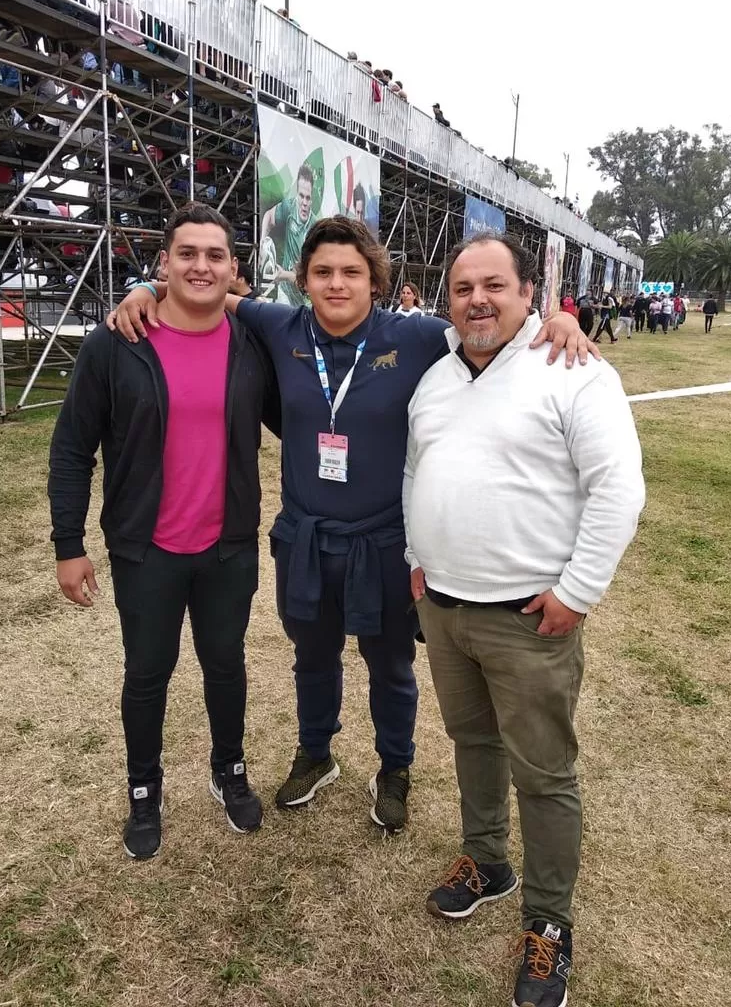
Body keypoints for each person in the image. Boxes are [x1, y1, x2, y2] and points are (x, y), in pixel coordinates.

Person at [109, 217, 598, 836]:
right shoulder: (277, 325)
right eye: (322, 273)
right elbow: (202, 291)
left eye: (351, 273)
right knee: (311, 659)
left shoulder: (419, 336)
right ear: (303, 281)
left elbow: (492, 321)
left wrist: (557, 319)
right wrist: (145, 292)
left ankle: (395, 768)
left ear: (375, 281)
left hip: (386, 544)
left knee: (390, 664)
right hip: (306, 541)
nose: (336, 284)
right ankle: (316, 753)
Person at [404, 232, 645, 1007]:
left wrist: (577, 590)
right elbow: (416, 470)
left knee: (544, 775)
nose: (477, 298)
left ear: (526, 293)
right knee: (471, 742)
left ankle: (548, 925)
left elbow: (617, 488)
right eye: (463, 286)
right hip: (443, 609)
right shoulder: (435, 378)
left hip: (527, 620)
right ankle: (487, 862)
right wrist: (417, 554)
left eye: (493, 285)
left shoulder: (570, 369)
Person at [49, 204, 281, 860]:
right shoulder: (116, 344)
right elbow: (72, 448)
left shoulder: (252, 344)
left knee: (225, 665)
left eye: (215, 255)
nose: (201, 266)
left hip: (228, 546)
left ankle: (228, 770)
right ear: (164, 264)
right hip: (145, 549)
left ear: (235, 270)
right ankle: (144, 788)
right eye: (187, 254)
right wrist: (69, 545)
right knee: (148, 672)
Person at [260, 162, 316, 305]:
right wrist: (262, 244)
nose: (304, 202)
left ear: (312, 199)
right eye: (301, 196)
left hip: (306, 300)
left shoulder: (316, 229)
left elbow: (310, 278)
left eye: (308, 198)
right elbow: (268, 216)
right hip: (284, 292)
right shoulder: (290, 207)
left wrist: (283, 274)